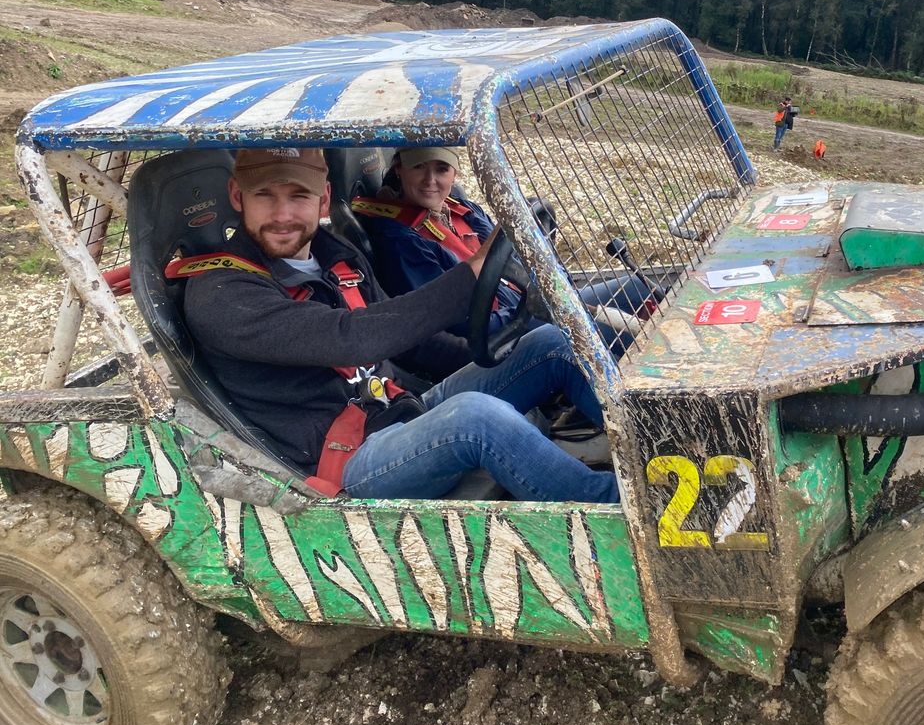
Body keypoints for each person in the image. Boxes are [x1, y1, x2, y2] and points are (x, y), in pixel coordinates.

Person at [182, 147, 619, 503]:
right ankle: (620, 508)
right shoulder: (222, 295)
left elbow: (413, 346)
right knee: (476, 418)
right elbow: (354, 337)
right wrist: (473, 272)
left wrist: (498, 352)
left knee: (551, 344)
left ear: (322, 197)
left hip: (399, 408)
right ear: (238, 197)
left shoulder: (335, 257)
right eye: (265, 196)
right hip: (346, 460)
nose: (282, 214)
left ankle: (657, 449)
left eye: (297, 196)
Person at [354, 146, 653, 376]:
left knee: (637, 289)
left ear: (454, 174)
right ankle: (630, 408)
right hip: (498, 336)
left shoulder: (461, 209)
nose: (431, 181)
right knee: (573, 333)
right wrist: (527, 311)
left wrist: (552, 291)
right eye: (419, 167)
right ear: (400, 169)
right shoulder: (398, 238)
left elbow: (515, 255)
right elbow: (453, 320)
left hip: (526, 307)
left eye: (441, 169)